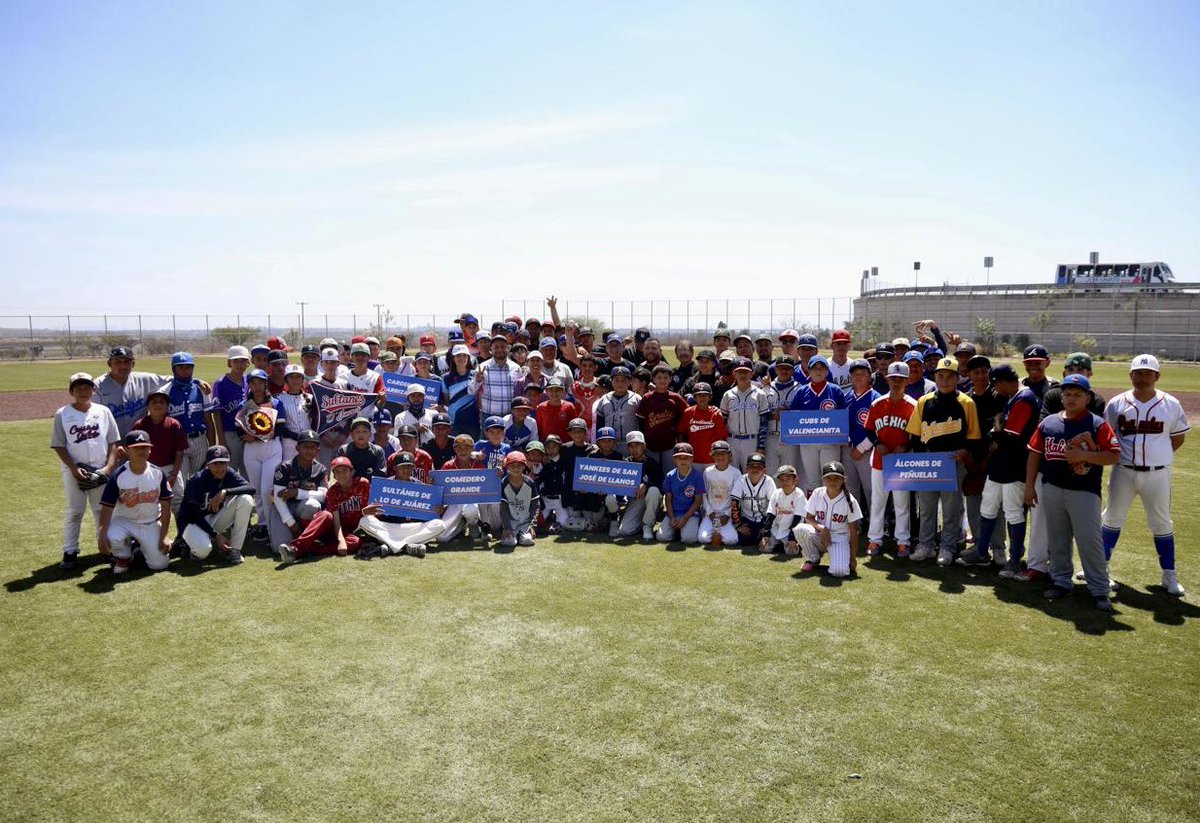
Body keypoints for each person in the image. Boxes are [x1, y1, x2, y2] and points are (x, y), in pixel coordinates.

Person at [1025, 375, 1120, 611]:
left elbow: (1114, 455)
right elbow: (1034, 455)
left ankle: (1099, 589)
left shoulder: (1097, 424)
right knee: (1058, 539)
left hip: (1084, 491)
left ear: (1088, 398)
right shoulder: (1048, 423)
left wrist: (1085, 456)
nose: (1071, 398)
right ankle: (1061, 582)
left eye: (1077, 394)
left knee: (1090, 541)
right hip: (1052, 488)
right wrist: (1029, 487)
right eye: (1067, 394)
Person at [1100, 354, 1190, 596]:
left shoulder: (1170, 403)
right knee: (1111, 518)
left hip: (1157, 474)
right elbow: (1108, 436)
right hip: (1124, 471)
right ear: (1130, 375)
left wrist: (1157, 457)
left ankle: (1169, 575)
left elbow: (1178, 437)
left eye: (1147, 373)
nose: (1142, 377)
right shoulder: (1117, 403)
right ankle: (1101, 569)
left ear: (1157, 376)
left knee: (1162, 523)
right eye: (1137, 373)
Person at [906, 357, 982, 565]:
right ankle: (926, 545)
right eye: (941, 376)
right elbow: (915, 436)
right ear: (935, 377)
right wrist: (922, 461)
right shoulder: (924, 401)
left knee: (951, 508)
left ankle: (947, 547)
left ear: (958, 378)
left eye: (950, 376)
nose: (945, 380)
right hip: (929, 462)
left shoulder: (966, 402)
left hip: (952, 462)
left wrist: (964, 451)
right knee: (927, 507)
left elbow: (974, 438)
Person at [961, 365, 1037, 571]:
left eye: (995, 384)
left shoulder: (1024, 398)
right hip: (1000, 464)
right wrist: (996, 434)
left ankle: (1014, 561)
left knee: (1013, 512)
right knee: (988, 506)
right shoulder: (1014, 397)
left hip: (1014, 465)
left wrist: (995, 434)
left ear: (1003, 381)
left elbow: (1011, 435)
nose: (995, 389)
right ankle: (981, 551)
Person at [51, 372, 121, 569]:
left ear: (94, 389)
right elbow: (59, 445)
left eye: (87, 387)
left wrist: (107, 468)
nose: (83, 391)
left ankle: (105, 548)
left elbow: (113, 442)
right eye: (78, 388)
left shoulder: (103, 411)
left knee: (101, 510)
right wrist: (73, 469)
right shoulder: (62, 414)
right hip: (74, 470)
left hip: (100, 469)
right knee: (75, 512)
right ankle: (70, 551)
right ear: (71, 391)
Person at [98, 430, 173, 574]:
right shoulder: (118, 475)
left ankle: (138, 548)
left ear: (150, 450)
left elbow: (166, 506)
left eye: (145, 447)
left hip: (149, 522)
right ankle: (123, 557)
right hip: (123, 521)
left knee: (160, 565)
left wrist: (164, 535)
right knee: (111, 535)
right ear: (127, 450)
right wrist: (101, 535)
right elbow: (107, 507)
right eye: (136, 448)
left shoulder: (157, 474)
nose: (141, 451)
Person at [863, 362, 917, 557]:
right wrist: (877, 442)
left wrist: (907, 446)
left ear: (907, 381)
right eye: (893, 378)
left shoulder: (913, 405)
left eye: (900, 379)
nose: (896, 382)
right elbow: (869, 429)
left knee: (902, 503)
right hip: (880, 461)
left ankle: (903, 541)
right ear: (887, 379)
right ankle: (874, 540)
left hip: (901, 462)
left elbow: (917, 434)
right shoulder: (877, 404)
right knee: (878, 503)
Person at [278, 457, 375, 561]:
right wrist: (341, 540)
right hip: (334, 529)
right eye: (337, 471)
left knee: (355, 543)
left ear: (352, 471)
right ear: (334, 476)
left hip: (351, 531)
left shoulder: (363, 484)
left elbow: (368, 511)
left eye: (344, 470)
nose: (341, 474)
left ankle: (310, 550)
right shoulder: (333, 491)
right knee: (326, 515)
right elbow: (336, 522)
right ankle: (294, 549)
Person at [356, 452, 446, 558]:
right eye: (402, 467)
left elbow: (430, 514)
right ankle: (408, 546)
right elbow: (372, 510)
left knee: (439, 524)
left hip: (412, 528)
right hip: (388, 528)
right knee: (365, 521)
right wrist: (366, 512)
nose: (406, 470)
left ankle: (392, 546)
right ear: (395, 468)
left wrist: (438, 510)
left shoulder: (420, 487)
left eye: (409, 467)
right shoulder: (384, 485)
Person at [237, 369, 293, 539]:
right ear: (249, 385)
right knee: (256, 490)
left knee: (267, 490)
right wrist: (245, 436)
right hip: (251, 450)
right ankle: (262, 524)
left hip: (271, 448)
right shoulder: (244, 405)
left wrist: (261, 435)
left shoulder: (276, 403)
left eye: (260, 382)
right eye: (253, 383)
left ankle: (272, 526)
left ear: (265, 383)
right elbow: (238, 430)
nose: (257, 386)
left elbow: (280, 429)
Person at [177, 445, 255, 564]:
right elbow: (193, 515)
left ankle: (235, 550)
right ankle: (189, 546)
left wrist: (225, 491)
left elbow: (251, 488)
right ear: (208, 465)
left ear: (228, 463)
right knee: (203, 551)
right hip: (191, 523)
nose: (220, 468)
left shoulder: (229, 473)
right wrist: (216, 535)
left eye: (223, 463)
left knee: (246, 499)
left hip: (212, 519)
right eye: (215, 464)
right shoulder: (198, 479)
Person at [93, 346, 184, 436]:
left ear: (133, 364)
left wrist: (196, 382)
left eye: (127, 362)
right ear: (109, 364)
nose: (123, 366)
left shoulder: (143, 380)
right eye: (117, 362)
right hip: (111, 443)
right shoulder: (98, 386)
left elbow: (175, 380)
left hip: (139, 443)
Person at [789, 356, 847, 492]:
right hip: (808, 442)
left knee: (830, 477)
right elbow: (793, 417)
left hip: (830, 441)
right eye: (815, 368)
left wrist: (843, 435)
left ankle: (830, 511)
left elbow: (843, 417)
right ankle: (815, 512)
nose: (818, 371)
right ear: (809, 371)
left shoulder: (835, 390)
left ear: (827, 371)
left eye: (822, 368)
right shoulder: (802, 391)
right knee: (812, 480)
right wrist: (789, 435)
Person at [794, 461, 862, 577]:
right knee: (800, 529)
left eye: (837, 478)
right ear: (823, 479)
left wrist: (853, 558)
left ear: (843, 479)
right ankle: (813, 559)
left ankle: (841, 555)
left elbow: (854, 532)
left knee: (839, 572)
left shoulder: (850, 500)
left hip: (839, 538)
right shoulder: (817, 493)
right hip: (820, 534)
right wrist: (822, 528)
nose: (832, 481)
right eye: (829, 478)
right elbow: (808, 518)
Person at [163, 351, 215, 495]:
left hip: (199, 440)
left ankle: (198, 514)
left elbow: (208, 420)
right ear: (174, 369)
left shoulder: (202, 389)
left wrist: (212, 445)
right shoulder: (165, 392)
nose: (185, 370)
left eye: (188, 367)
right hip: (178, 443)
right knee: (179, 486)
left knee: (200, 482)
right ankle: (183, 515)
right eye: (181, 367)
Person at [268, 429, 328, 550]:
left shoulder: (321, 469)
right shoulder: (284, 467)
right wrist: (292, 525)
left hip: (302, 507)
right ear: (297, 448)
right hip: (283, 508)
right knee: (278, 548)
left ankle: (306, 536)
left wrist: (297, 493)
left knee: (312, 504)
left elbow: (323, 496)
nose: (309, 450)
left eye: (313, 447)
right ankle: (298, 534)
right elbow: (278, 499)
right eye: (305, 446)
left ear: (318, 450)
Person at [131, 387, 187, 514]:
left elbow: (179, 453)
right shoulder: (140, 425)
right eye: (154, 402)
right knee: (150, 503)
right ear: (148, 407)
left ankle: (182, 533)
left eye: (161, 402)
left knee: (178, 503)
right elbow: (134, 452)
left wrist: (174, 474)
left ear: (167, 407)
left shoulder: (173, 424)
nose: (158, 405)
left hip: (170, 468)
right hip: (148, 469)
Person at [842, 359, 879, 517]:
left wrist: (862, 447)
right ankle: (855, 523)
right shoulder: (845, 397)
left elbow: (880, 429)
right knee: (850, 489)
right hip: (848, 450)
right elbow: (841, 424)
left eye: (863, 374)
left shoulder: (876, 398)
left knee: (871, 490)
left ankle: (877, 526)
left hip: (868, 452)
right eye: (855, 374)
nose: (858, 377)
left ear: (870, 377)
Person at [720, 357, 771, 471]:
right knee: (731, 474)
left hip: (751, 440)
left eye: (746, 372)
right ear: (734, 373)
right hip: (732, 440)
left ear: (752, 373)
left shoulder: (760, 394)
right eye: (739, 372)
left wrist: (761, 446)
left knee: (750, 474)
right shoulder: (728, 395)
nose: (742, 375)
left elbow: (763, 422)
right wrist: (724, 444)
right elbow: (722, 421)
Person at [637, 364, 688, 471]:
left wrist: (678, 431)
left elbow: (687, 414)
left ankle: (667, 488)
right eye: (659, 377)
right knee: (653, 471)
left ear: (670, 379)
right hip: (650, 444)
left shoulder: (675, 398)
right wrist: (643, 441)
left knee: (669, 471)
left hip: (669, 444)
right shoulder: (647, 398)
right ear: (653, 379)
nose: (662, 380)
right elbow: (640, 420)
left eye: (666, 377)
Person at [210, 346, 251, 474]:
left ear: (248, 363)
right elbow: (216, 414)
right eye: (236, 361)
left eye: (243, 360)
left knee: (247, 469)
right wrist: (222, 440)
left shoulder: (249, 381)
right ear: (229, 363)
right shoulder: (220, 383)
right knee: (230, 469)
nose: (240, 364)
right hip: (229, 433)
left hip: (247, 432)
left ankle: (247, 494)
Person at [615, 431, 663, 540]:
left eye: (637, 445)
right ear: (628, 448)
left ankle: (647, 526)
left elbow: (661, 484)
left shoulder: (652, 463)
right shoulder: (625, 464)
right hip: (635, 499)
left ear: (644, 446)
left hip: (652, 498)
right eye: (631, 446)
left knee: (654, 491)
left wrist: (646, 484)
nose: (634, 449)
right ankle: (640, 523)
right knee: (625, 531)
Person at [658, 443, 705, 545]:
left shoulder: (697, 476)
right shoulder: (670, 475)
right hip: (673, 513)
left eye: (686, 458)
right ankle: (676, 531)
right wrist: (671, 517)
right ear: (674, 459)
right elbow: (668, 499)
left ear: (692, 459)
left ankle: (684, 530)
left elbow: (698, 502)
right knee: (662, 537)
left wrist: (684, 518)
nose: (683, 460)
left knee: (689, 539)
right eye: (679, 458)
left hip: (690, 514)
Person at [764, 356, 801, 475]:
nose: (784, 371)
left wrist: (788, 414)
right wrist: (771, 414)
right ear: (775, 370)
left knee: (789, 474)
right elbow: (759, 413)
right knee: (771, 475)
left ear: (793, 370)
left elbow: (803, 416)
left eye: (787, 368)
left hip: (790, 438)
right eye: (781, 368)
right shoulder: (766, 387)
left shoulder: (799, 389)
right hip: (770, 437)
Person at [698, 441, 740, 546]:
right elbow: (704, 495)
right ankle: (716, 533)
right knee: (702, 539)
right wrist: (710, 512)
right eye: (717, 454)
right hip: (711, 514)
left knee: (732, 540)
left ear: (729, 455)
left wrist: (727, 514)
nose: (720, 457)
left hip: (727, 515)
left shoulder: (736, 473)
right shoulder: (707, 472)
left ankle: (719, 534)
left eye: (723, 453)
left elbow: (737, 499)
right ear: (712, 456)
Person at [593, 366, 641, 457]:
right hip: (608, 444)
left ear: (630, 381)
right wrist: (598, 441)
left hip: (629, 443)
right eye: (616, 380)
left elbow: (641, 423)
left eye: (623, 380)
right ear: (611, 381)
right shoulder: (604, 399)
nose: (620, 383)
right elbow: (600, 423)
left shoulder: (636, 399)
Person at [759, 464, 806, 554]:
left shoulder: (799, 494)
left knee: (791, 552)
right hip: (776, 529)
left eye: (788, 479)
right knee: (763, 548)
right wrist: (766, 535)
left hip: (790, 531)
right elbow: (770, 515)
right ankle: (779, 545)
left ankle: (787, 545)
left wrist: (792, 538)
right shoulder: (776, 493)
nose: (785, 482)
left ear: (795, 480)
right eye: (782, 479)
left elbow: (798, 518)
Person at [475, 335, 520, 427]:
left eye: (503, 346)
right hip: (488, 416)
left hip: (510, 416)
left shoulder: (516, 368)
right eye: (496, 347)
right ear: (491, 348)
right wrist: (477, 381)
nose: (500, 350)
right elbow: (471, 391)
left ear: (508, 348)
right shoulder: (482, 367)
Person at [678, 382, 728, 466]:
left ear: (710, 397)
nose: (702, 398)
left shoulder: (716, 414)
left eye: (705, 395)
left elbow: (722, 438)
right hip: (694, 459)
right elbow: (681, 432)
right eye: (699, 395)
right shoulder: (688, 413)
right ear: (694, 397)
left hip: (712, 459)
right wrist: (683, 450)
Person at [732, 453, 775, 547]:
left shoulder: (769, 481)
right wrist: (738, 526)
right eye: (752, 466)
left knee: (767, 541)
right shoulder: (741, 480)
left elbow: (773, 506)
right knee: (739, 539)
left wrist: (766, 528)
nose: (755, 469)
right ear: (747, 468)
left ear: (764, 470)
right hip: (747, 520)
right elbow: (734, 503)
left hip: (764, 520)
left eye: (759, 467)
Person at [498, 451, 540, 547]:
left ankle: (522, 534)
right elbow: (503, 508)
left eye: (519, 465)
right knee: (509, 543)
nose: (516, 468)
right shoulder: (503, 483)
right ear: (507, 467)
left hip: (525, 522)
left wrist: (532, 525)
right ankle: (512, 534)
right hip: (510, 522)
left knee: (527, 541)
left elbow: (535, 506)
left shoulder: (530, 482)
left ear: (524, 466)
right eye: (512, 465)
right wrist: (507, 527)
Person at [442, 343, 481, 442]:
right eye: (458, 356)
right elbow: (447, 401)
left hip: (473, 420)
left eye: (464, 355)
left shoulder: (475, 375)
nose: (461, 358)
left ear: (468, 358)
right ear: (453, 358)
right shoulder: (446, 378)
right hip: (454, 421)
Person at [277, 365, 313, 464]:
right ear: (286, 380)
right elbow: (279, 426)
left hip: (309, 441)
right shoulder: (279, 399)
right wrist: (296, 436)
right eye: (291, 377)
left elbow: (316, 421)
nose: (295, 380)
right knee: (289, 470)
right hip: (289, 443)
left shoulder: (311, 398)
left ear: (302, 379)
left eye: (298, 376)